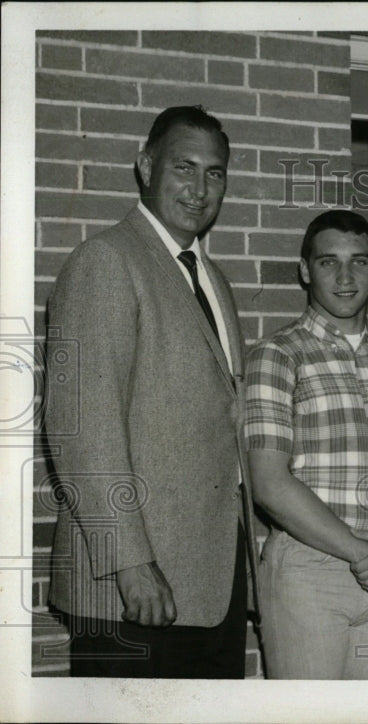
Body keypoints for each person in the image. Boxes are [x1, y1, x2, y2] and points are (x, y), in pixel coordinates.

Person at [46, 105, 256, 678]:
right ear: (145, 166)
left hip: (210, 584)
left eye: (215, 173)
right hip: (135, 589)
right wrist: (130, 562)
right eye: (184, 167)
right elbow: (82, 430)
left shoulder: (212, 279)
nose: (200, 187)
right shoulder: (107, 261)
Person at [244, 209, 368, 680]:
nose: (346, 276)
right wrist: (361, 551)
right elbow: (268, 481)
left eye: (359, 261)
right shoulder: (277, 354)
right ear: (305, 270)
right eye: (329, 262)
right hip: (310, 568)